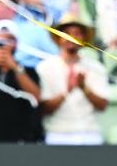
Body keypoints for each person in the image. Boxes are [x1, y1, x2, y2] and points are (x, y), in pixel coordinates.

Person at [36, 14, 109, 145]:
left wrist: (84, 88)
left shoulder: (96, 67)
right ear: (59, 38)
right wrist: (68, 89)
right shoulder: (45, 67)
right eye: (67, 33)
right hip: (57, 134)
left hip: (90, 133)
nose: (72, 37)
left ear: (84, 38)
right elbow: (44, 108)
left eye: (77, 33)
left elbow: (103, 105)